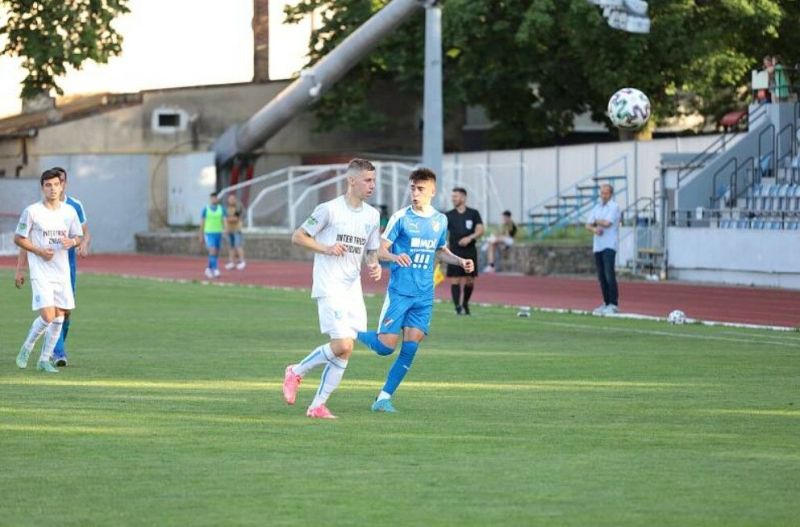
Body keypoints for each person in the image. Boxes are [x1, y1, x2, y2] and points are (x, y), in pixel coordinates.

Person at [356, 168, 475, 413]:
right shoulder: (400, 217)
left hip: (424, 295)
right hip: (400, 291)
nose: (415, 193)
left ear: (432, 191)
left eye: (420, 189)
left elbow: (440, 251)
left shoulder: (440, 220)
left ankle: (383, 398)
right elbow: (380, 250)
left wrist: (460, 261)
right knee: (385, 348)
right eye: (412, 188)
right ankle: (351, 331)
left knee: (410, 347)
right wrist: (394, 255)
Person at [282, 158, 382, 419]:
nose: (372, 185)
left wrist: (375, 265)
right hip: (330, 285)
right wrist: (326, 248)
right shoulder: (328, 209)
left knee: (346, 348)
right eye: (367, 180)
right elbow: (298, 236)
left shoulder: (373, 215)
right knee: (341, 344)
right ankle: (296, 371)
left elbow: (371, 251)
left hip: (352, 289)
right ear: (351, 181)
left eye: (374, 180)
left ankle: (317, 405)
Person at [15, 166, 90, 367]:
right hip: (40, 271)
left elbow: (79, 236)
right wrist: (37, 253)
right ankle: (27, 348)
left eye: (56, 184)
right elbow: (19, 239)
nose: (53, 189)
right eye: (48, 185)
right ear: (42, 188)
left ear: (62, 186)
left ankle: (44, 360)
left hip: (62, 270)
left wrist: (73, 243)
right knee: (48, 315)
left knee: (61, 314)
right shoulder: (32, 211)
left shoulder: (70, 211)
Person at [445, 187, 484, 315]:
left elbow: (480, 229)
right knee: (455, 279)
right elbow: (442, 232)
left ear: (463, 197)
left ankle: (465, 303)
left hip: (469, 252)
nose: (453, 199)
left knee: (470, 280)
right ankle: (457, 307)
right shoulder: (449, 215)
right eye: (453, 197)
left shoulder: (473, 213)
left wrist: (470, 237)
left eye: (455, 196)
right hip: (454, 252)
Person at [585, 184, 621, 315]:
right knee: (601, 276)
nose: (603, 195)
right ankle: (606, 302)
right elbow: (587, 224)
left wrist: (596, 220)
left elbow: (608, 223)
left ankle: (614, 303)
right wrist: (594, 228)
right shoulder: (597, 207)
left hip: (609, 245)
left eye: (606, 193)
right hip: (598, 246)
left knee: (609, 274)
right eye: (602, 193)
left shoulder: (614, 207)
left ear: (611, 194)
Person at [199, 192, 226, 278]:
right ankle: (216, 269)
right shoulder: (205, 209)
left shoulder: (221, 209)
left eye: (215, 198)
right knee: (212, 251)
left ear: (217, 199)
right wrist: (201, 235)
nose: (214, 199)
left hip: (218, 233)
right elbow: (202, 223)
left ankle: (208, 269)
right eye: (212, 198)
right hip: (209, 233)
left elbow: (224, 220)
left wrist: (225, 229)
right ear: (210, 199)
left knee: (216, 253)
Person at [223, 193, 246, 270]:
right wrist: (226, 227)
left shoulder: (239, 207)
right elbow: (225, 219)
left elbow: (235, 219)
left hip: (237, 229)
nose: (231, 200)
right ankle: (231, 262)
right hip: (229, 230)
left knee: (238, 245)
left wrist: (228, 219)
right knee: (231, 246)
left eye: (233, 199)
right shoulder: (227, 208)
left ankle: (242, 261)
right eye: (230, 199)